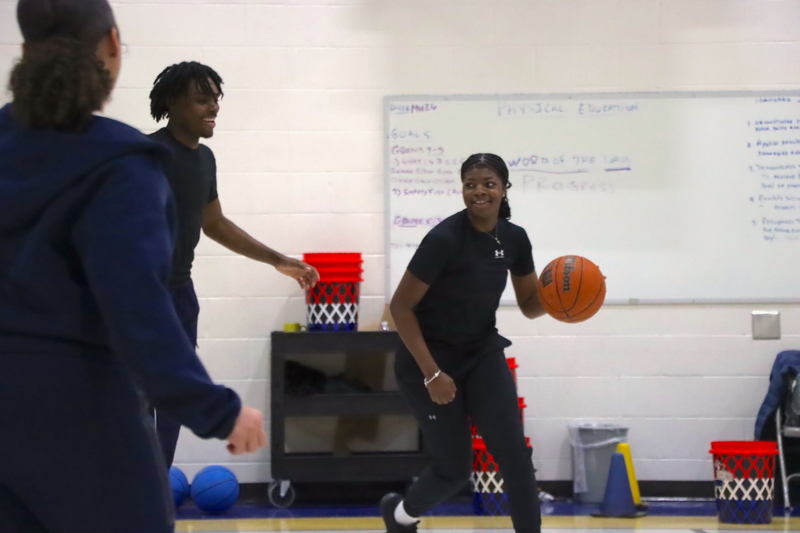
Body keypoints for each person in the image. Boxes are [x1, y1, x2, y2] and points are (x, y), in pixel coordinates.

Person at [0, 1, 266, 532]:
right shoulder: (123, 162)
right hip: (81, 409)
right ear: (114, 46)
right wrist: (217, 408)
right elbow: (138, 310)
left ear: (25, 52)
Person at [146, 61, 319, 468]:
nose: (214, 108)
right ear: (173, 103)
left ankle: (154, 495)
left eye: (215, 99)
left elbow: (214, 222)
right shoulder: (146, 155)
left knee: (174, 399)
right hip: (141, 295)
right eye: (201, 99)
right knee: (133, 398)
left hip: (180, 296)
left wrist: (279, 260)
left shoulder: (204, 159)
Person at [382, 153, 545, 533]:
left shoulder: (516, 238)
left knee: (516, 458)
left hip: (482, 352)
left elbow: (530, 306)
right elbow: (400, 308)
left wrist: (563, 304)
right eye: (470, 184)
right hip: (428, 359)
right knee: (454, 469)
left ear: (504, 188)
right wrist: (432, 373)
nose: (479, 191)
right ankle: (400, 516)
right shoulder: (444, 239)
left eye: (488, 183)